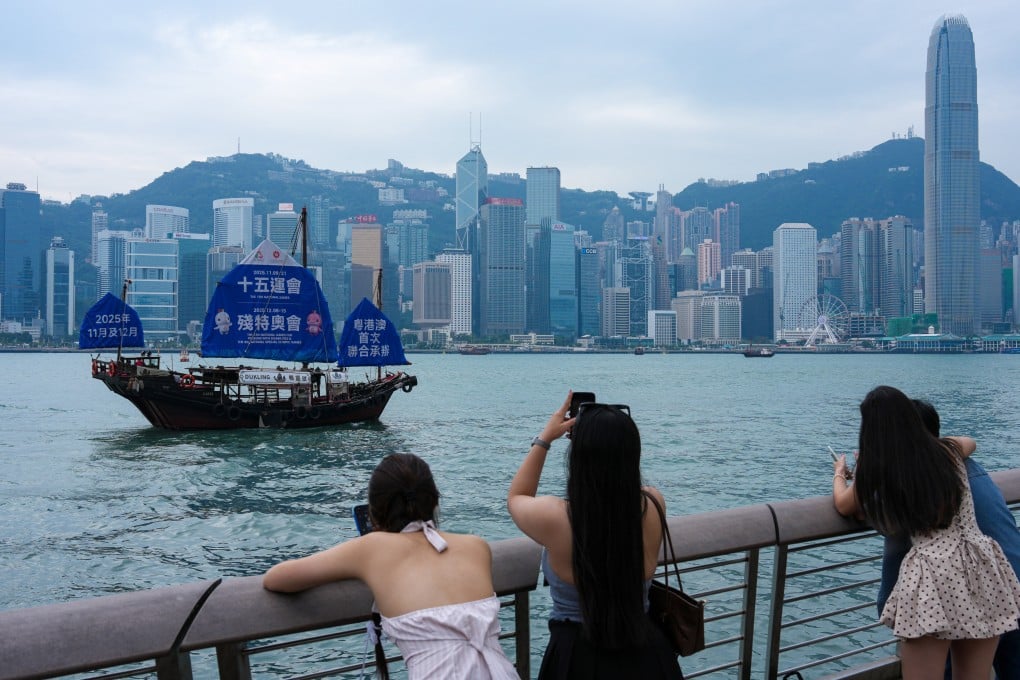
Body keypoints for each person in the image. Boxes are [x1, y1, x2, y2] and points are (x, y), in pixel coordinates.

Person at [264, 453, 519, 680]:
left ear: (374, 513)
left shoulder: (372, 548)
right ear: (435, 502)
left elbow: (277, 578)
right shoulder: (477, 547)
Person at [831, 385, 1020, 680]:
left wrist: (841, 473)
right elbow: (970, 442)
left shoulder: (882, 468)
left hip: (933, 576)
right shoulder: (948, 450)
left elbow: (844, 504)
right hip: (982, 566)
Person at [507, 393, 683, 679]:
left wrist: (545, 438)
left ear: (579, 458)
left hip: (576, 657)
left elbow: (517, 497)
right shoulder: (652, 503)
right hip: (648, 653)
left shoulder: (556, 517)